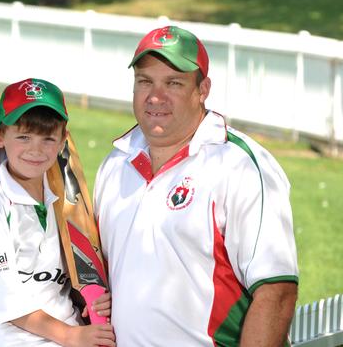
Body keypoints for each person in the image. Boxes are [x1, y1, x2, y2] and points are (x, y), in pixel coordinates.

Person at [93, 26, 299, 346]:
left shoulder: (239, 164)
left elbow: (276, 291)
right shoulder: (115, 163)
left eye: (173, 83)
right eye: (145, 81)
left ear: (202, 89)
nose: (155, 96)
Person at [0, 78, 115, 346]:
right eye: (23, 137)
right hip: (2, 331)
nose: (36, 149)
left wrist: (93, 296)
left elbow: (80, 269)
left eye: (48, 139)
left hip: (61, 320)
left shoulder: (65, 196)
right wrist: (71, 335)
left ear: (62, 140)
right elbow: (6, 304)